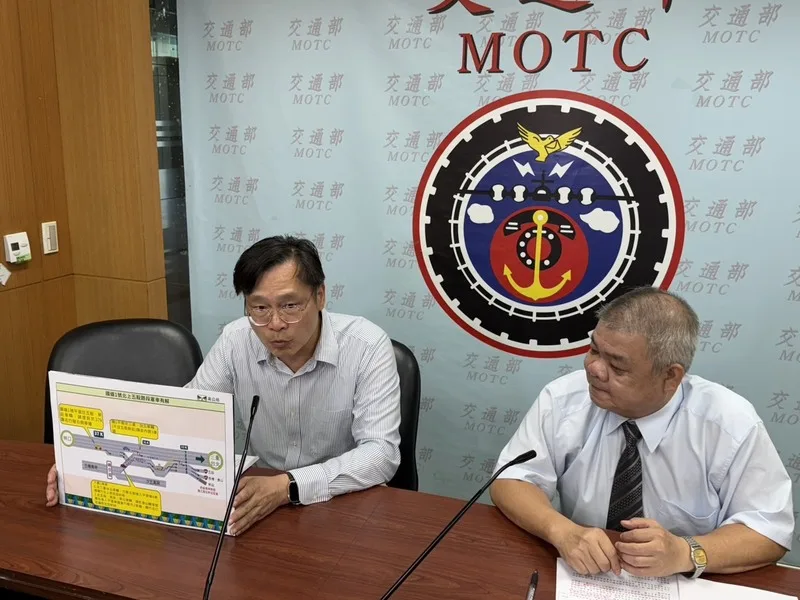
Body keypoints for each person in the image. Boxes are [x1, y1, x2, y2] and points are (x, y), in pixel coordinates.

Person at [46, 235, 402, 535]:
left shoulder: (367, 347)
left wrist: (287, 486)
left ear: (320, 296)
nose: (275, 324)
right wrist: (85, 461)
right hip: (258, 505)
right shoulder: (236, 340)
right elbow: (182, 416)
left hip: (342, 507)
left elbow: (381, 454)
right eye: (259, 308)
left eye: (290, 305)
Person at [490, 287, 794, 579]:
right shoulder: (563, 399)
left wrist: (684, 552)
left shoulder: (728, 424)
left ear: (670, 376)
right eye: (594, 350)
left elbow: (768, 531)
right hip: (586, 575)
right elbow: (512, 480)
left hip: (687, 584)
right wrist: (562, 531)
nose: (594, 369)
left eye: (617, 366)